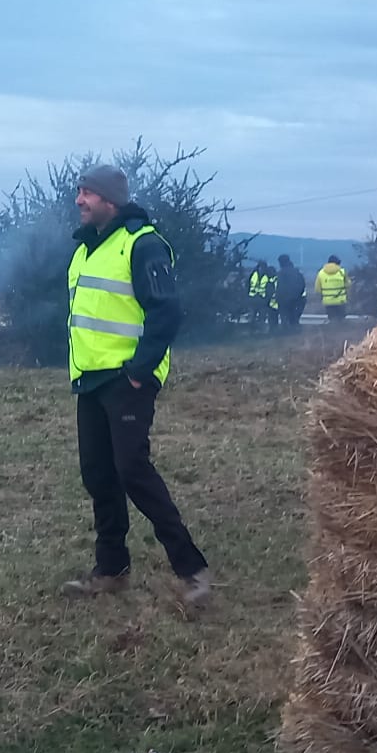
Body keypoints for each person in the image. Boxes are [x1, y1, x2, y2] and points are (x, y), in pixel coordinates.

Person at [59, 163, 213, 608]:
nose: (79, 200)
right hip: (90, 379)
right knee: (98, 475)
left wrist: (139, 371)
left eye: (87, 193)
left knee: (133, 472)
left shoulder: (142, 244)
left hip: (127, 379)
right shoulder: (87, 249)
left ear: (110, 199)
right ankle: (111, 570)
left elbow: (166, 313)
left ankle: (193, 571)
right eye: (79, 191)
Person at [275, 254, 307, 331]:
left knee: (285, 318)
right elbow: (302, 285)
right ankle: (294, 331)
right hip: (297, 299)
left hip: (284, 300)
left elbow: (278, 287)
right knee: (294, 319)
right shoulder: (297, 272)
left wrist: (279, 297)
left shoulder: (280, 274)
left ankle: (286, 332)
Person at [315, 254, 349, 325]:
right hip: (341, 301)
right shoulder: (342, 272)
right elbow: (348, 284)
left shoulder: (321, 273)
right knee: (341, 322)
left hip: (328, 302)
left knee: (332, 321)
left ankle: (331, 333)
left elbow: (317, 289)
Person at [248, 260, 275, 331]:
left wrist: (267, 299)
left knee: (262, 317)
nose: (261, 269)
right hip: (253, 299)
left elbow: (270, 288)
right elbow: (247, 286)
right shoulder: (253, 275)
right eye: (260, 267)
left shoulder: (268, 277)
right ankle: (251, 330)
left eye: (263, 267)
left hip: (262, 300)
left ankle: (260, 331)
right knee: (252, 317)